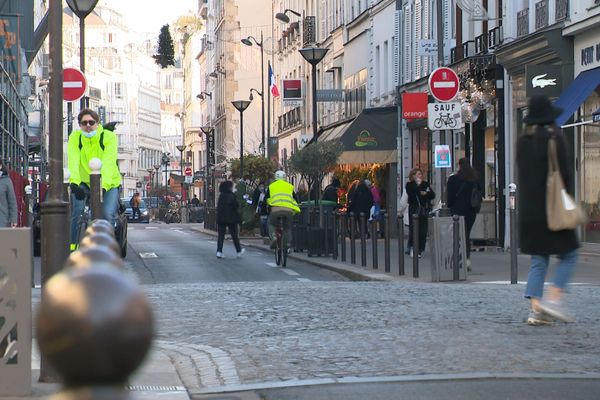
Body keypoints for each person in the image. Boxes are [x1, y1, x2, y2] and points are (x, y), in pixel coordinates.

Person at [517, 95, 579, 325]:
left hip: (529, 211)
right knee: (570, 254)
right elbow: (565, 177)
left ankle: (536, 311)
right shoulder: (555, 139)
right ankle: (553, 300)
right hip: (551, 209)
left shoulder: (522, 142)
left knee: (538, 260)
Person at [67, 109, 121, 250]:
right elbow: (73, 161)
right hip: (84, 182)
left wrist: (103, 187)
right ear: (79, 125)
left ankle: (109, 250)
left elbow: (109, 163)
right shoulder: (75, 138)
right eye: (84, 123)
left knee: (107, 214)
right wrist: (74, 183)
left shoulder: (108, 137)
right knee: (77, 212)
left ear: (97, 123)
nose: (88, 126)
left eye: (91, 122)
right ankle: (73, 248)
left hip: (109, 183)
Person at [446, 158, 482, 267]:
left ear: (459, 166)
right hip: (471, 211)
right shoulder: (475, 179)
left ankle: (459, 258)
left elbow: (450, 197)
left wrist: (450, 206)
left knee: (458, 235)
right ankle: (466, 259)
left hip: (457, 211)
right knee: (466, 234)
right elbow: (479, 194)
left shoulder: (453, 179)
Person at [266, 170, 300, 250]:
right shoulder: (290, 186)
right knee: (288, 227)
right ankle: (288, 243)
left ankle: (274, 237)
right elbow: (296, 199)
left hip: (275, 210)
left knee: (271, 223)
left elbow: (265, 200)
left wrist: (264, 211)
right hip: (288, 211)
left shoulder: (271, 187)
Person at [405, 168, 435, 258]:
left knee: (423, 230)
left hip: (423, 209)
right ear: (413, 176)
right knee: (414, 229)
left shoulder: (425, 184)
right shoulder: (409, 184)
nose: (420, 176)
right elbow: (411, 193)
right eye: (418, 174)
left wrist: (425, 194)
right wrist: (418, 187)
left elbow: (432, 195)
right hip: (414, 208)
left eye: (420, 174)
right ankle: (413, 247)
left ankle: (420, 249)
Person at [216, 180, 244, 258]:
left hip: (221, 219)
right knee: (234, 235)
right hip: (231, 219)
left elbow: (219, 208)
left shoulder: (221, 196)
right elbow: (236, 206)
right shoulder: (232, 195)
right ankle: (238, 251)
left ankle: (219, 251)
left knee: (221, 236)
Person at [0, 160, 17, 228]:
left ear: (0, 166)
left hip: (2, 220)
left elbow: (12, 202)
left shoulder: (6, 181)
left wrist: (13, 219)